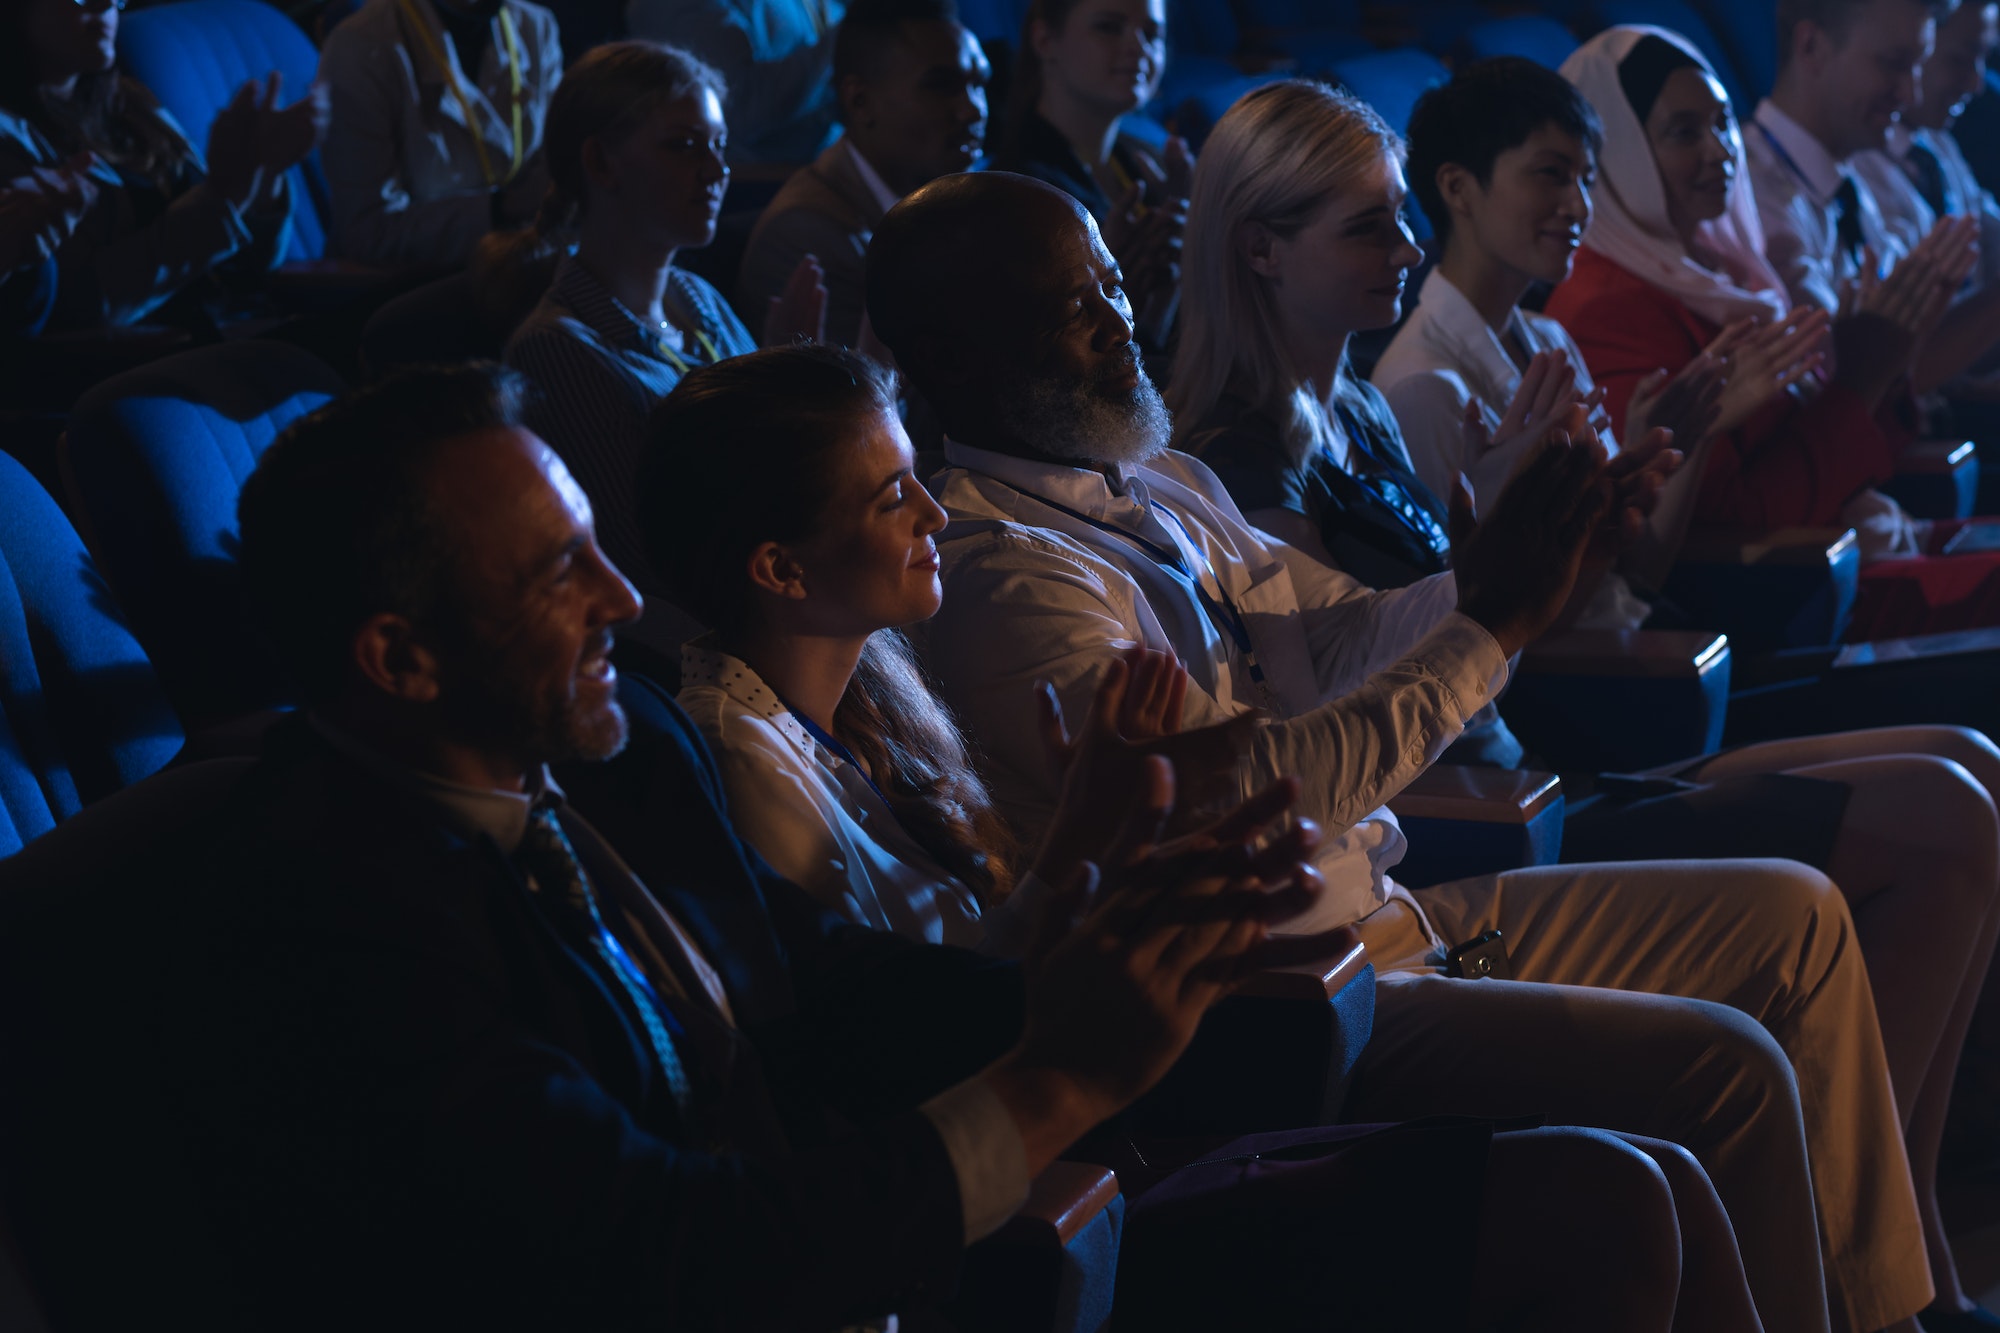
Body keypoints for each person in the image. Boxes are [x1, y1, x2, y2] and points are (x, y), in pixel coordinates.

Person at [0, 361, 1734, 1333]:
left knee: (1617, 1190)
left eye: (604, 552)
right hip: (849, 1270)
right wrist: (1055, 1083)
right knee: (1592, 1208)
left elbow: (814, 995)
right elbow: (666, 1258)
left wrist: (1107, 971)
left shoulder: (626, 749)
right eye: (557, 576)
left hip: (924, 1236)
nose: (621, 602)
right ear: (396, 659)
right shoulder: (324, 919)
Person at [869, 167, 1938, 1333]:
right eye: (1070, 308)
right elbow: (1266, 798)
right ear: (959, 354)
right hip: (1289, 999)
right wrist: (1494, 619)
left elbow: (1340, 638)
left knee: (1791, 915)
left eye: (1115, 286)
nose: (1119, 323)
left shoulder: (1155, 479)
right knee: (1722, 1063)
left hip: (1384, 906)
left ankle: (1886, 1311)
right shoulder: (1000, 572)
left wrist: (1519, 565)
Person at [635, 341, 1777, 1331]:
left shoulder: (895, 672)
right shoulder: (769, 751)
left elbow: (1344, 643)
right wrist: (1492, 621)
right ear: (780, 568)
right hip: (1320, 1011)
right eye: (890, 497)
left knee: (1761, 959)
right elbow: (924, 1035)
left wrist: (1491, 591)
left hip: (1419, 934)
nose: (927, 509)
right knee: (1656, 1140)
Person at [1173, 71, 2000, 1333]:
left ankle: (1897, 1265)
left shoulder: (1341, 408)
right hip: (1484, 832)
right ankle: (1879, 1285)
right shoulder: (1235, 466)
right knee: (1923, 822)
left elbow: (1499, 616)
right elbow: (1350, 716)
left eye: (1400, 219)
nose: (1403, 248)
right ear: (1260, 248)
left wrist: (1585, 522)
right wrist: (1513, 568)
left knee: (1951, 783)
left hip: (1521, 784)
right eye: (1366, 227)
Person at [1543, 26, 2000, 639]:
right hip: (1786, 601)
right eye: (1684, 132)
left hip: (1848, 557)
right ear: (1619, 148)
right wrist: (1863, 379)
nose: (1719, 149)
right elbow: (1731, 521)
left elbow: (1842, 456)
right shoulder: (1609, 308)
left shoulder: (1731, 273)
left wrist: (1885, 359)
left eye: (1722, 121)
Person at [493, 41, 825, 654]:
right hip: (709, 649)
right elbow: (650, 562)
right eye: (684, 145)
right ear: (601, 161)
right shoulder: (555, 349)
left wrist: (796, 384)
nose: (715, 169)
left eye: (719, 146)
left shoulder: (698, 300)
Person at [0, 0, 323, 331]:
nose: (106, 5)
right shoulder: (8, 137)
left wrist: (262, 177)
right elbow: (76, 308)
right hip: (148, 358)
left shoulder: (129, 101)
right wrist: (223, 197)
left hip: (238, 328)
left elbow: (248, 268)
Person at [1747, 0, 2000, 401]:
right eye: (1894, 64)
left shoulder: (1849, 182)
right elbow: (1859, 383)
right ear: (1811, 46)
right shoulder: (1754, 199)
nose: (1910, 92)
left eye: (1917, 67)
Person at [736, 0, 988, 347]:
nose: (973, 109)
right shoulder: (806, 238)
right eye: (942, 85)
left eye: (979, 84)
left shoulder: (968, 202)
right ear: (859, 101)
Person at [991, 0, 1188, 349]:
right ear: (1045, 40)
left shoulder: (1141, 165)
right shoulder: (1019, 190)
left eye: (1152, 34)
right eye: (1109, 27)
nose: (1139, 47)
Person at [317, 0, 561, 270]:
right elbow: (366, 233)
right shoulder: (361, 45)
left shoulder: (536, 26)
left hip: (520, 270)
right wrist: (503, 208)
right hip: (412, 286)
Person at [1854, 0, 2000, 296]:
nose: (1976, 84)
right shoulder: (1856, 162)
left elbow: (1990, 233)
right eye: (1959, 59)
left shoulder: (1937, 147)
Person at [625, 0, 842, 163]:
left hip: (829, 165)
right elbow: (741, 109)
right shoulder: (670, 5)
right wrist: (849, 33)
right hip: (753, 195)